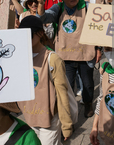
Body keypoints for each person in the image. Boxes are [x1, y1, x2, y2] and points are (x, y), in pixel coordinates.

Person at [36, 0, 99, 118]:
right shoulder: (58, 8)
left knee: (88, 84)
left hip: (85, 53)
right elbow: (42, 19)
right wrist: (40, 4)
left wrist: (99, 48)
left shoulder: (88, 7)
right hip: (65, 55)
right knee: (67, 85)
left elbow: (98, 29)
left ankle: (88, 103)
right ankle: (68, 110)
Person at [18, 16, 74, 144]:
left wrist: (66, 125)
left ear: (40, 33)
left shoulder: (52, 59)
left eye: (30, 34)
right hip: (29, 116)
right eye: (23, 34)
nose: (26, 38)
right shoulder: (20, 57)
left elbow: (62, 93)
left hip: (49, 120)